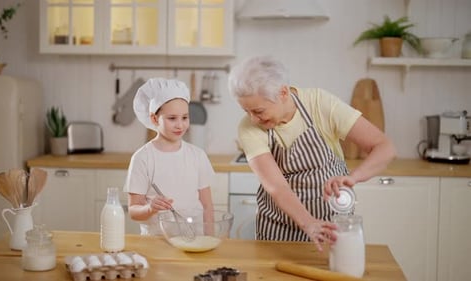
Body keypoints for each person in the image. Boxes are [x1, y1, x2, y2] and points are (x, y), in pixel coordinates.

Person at [228, 56, 396, 251]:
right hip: (277, 229)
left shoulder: (319, 103)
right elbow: (276, 186)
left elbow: (384, 147)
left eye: (258, 111)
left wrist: (353, 177)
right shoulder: (248, 127)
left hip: (330, 224)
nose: (253, 119)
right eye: (246, 111)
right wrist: (308, 222)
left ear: (283, 92)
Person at [124, 78, 215, 235]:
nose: (180, 125)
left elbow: (207, 206)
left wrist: (210, 239)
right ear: (154, 118)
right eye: (172, 118)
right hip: (156, 242)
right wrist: (150, 208)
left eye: (185, 117)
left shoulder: (197, 156)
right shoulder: (142, 158)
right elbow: (133, 211)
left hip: (194, 240)